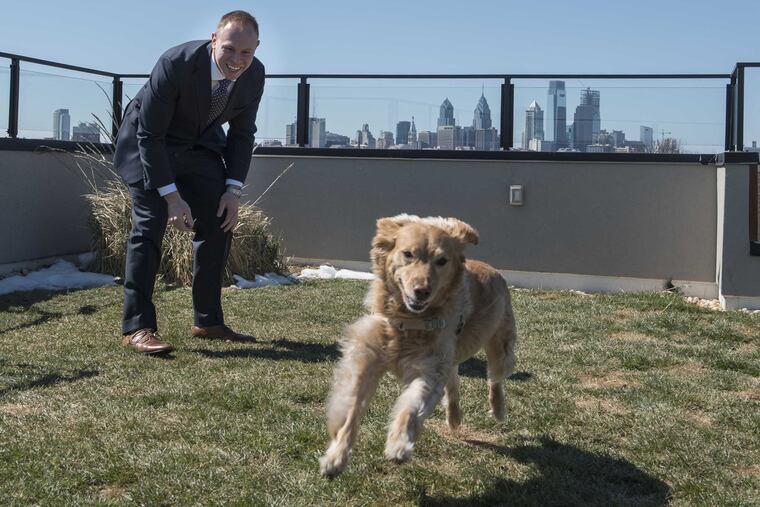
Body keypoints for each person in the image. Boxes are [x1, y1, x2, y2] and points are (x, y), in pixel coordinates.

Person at [113, 10, 265, 354]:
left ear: (257, 49)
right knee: (149, 225)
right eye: (229, 49)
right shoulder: (175, 63)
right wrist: (171, 197)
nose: (237, 60)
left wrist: (232, 190)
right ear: (214, 40)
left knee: (218, 220)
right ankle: (137, 327)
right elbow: (149, 134)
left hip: (197, 147)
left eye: (246, 52)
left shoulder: (254, 74)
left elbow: (243, 134)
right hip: (148, 144)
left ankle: (208, 321)